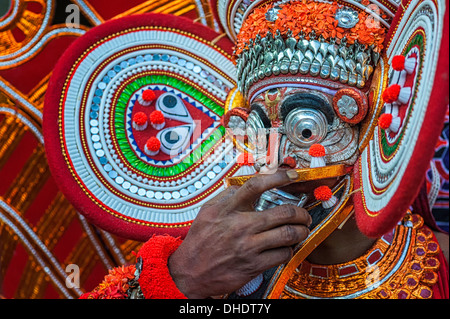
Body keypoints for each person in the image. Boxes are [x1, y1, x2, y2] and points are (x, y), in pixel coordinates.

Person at [80, 0, 449, 299]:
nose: (276, 156)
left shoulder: (442, 263)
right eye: (259, 131)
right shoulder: (212, 270)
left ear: (371, 120)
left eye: (306, 129)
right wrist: (181, 281)